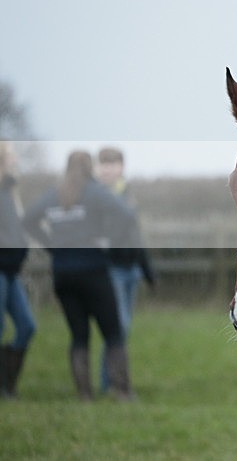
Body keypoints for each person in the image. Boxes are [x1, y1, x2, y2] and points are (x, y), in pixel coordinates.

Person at [23, 150, 136, 401]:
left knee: (78, 336)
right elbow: (127, 215)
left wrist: (51, 245)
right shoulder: (95, 192)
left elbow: (29, 220)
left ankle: (85, 395)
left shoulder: (54, 195)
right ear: (90, 168)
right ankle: (123, 391)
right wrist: (111, 242)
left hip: (62, 274)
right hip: (93, 271)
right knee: (113, 332)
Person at [96, 147, 155, 392]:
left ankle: (111, 381)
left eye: (114, 164)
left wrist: (147, 270)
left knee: (124, 326)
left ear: (121, 167)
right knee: (117, 325)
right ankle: (110, 383)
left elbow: (136, 236)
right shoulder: (96, 196)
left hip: (132, 269)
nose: (109, 169)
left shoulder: (128, 195)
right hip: (112, 269)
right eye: (105, 164)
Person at [0, 142, 36, 398]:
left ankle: (7, 383)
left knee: (26, 325)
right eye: (10, 157)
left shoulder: (11, 191)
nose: (14, 161)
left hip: (12, 271)